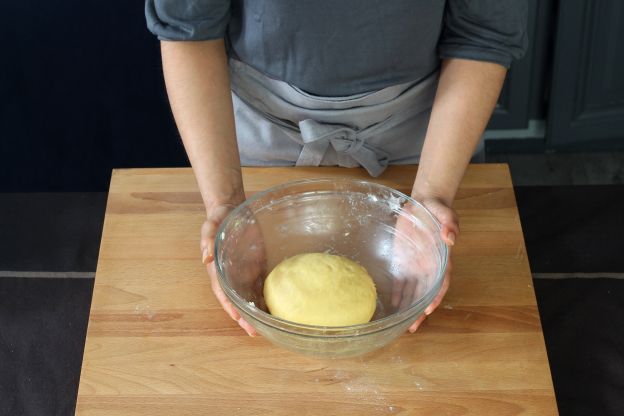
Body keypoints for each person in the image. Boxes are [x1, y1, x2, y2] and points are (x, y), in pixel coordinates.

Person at [145, 0, 528, 336]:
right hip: (251, 136)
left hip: (429, 136)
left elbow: (483, 34)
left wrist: (432, 197)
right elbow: (188, 28)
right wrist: (226, 203)